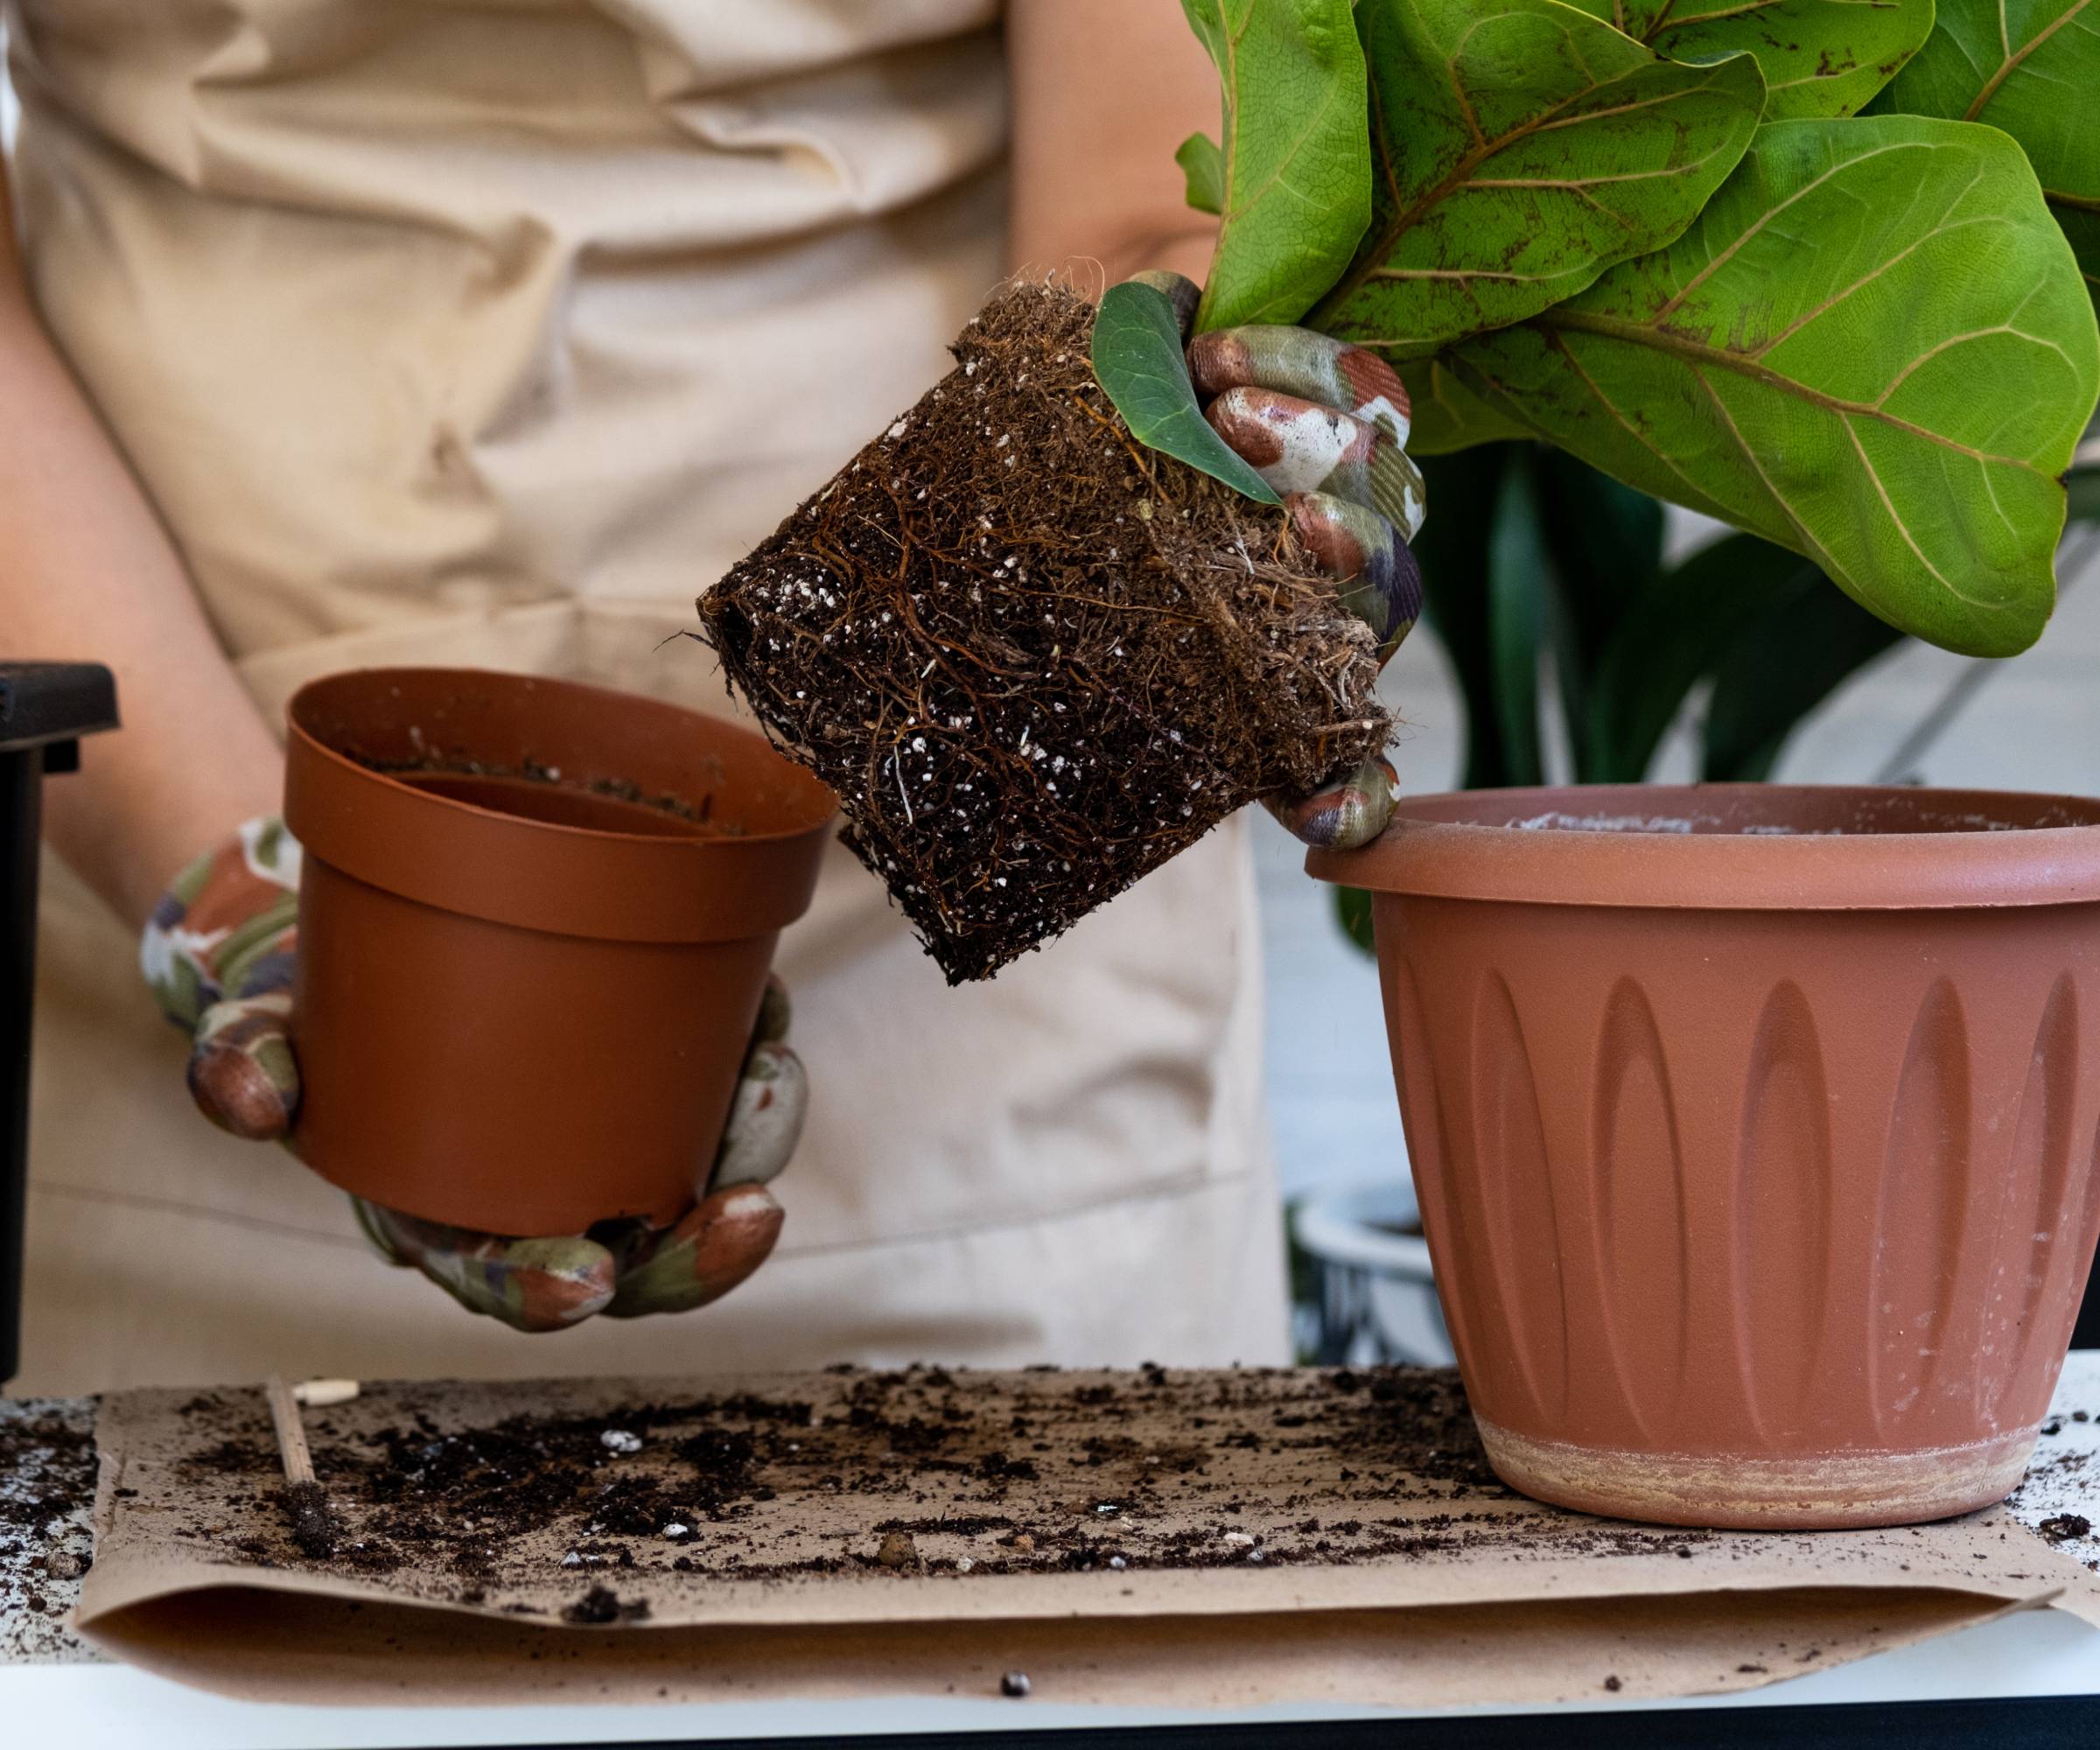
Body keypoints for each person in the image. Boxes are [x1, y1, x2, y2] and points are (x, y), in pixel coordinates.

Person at [2, 0, 1415, 1394]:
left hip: (960, 1020)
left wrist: (1194, 466)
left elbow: (1144, 178)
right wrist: (226, 883)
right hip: (149, 794)